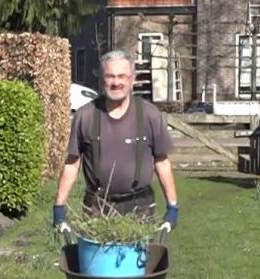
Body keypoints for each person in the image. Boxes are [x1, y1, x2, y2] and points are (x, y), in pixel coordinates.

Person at [53, 51, 179, 236]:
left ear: (132, 79)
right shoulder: (85, 116)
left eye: (122, 76)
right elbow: (72, 164)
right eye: (110, 76)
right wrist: (59, 208)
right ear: (102, 79)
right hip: (97, 207)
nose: (116, 82)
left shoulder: (149, 115)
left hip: (140, 207)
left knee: (140, 263)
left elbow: (162, 162)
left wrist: (172, 207)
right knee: (95, 263)